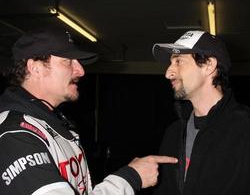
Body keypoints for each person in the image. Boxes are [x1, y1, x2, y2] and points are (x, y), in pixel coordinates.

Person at [0, 28, 178, 195]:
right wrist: (131, 178)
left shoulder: (54, 125)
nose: (81, 71)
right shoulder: (14, 134)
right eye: (68, 61)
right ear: (35, 68)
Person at [152, 30, 250, 195]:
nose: (168, 73)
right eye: (170, 63)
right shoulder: (173, 133)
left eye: (178, 61)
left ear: (209, 65)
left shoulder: (245, 129)